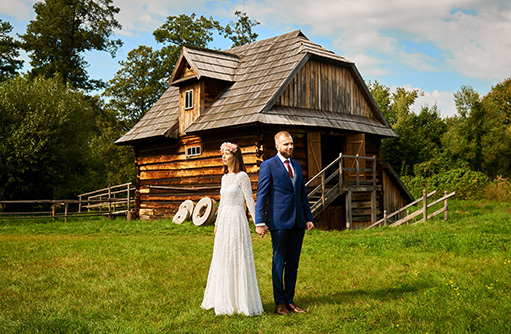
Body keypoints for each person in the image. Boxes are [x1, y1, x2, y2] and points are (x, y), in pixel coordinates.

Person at [255, 131, 315, 315]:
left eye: (291, 144)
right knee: (278, 263)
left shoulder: (297, 165)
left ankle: (290, 300)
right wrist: (259, 222)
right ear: (277, 146)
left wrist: (308, 217)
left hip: (298, 221)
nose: (290, 147)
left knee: (293, 263)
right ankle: (279, 302)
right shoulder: (268, 166)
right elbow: (262, 195)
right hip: (279, 221)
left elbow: (302, 195)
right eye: (286, 144)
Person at [201, 142, 264, 316]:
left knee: (237, 256)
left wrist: (258, 223)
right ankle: (223, 297)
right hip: (225, 220)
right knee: (223, 257)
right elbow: (221, 204)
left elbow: (250, 201)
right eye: (222, 153)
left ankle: (240, 300)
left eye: (227, 153)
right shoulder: (224, 178)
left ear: (235, 156)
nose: (223, 156)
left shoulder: (242, 176)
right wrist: (217, 223)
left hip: (237, 219)